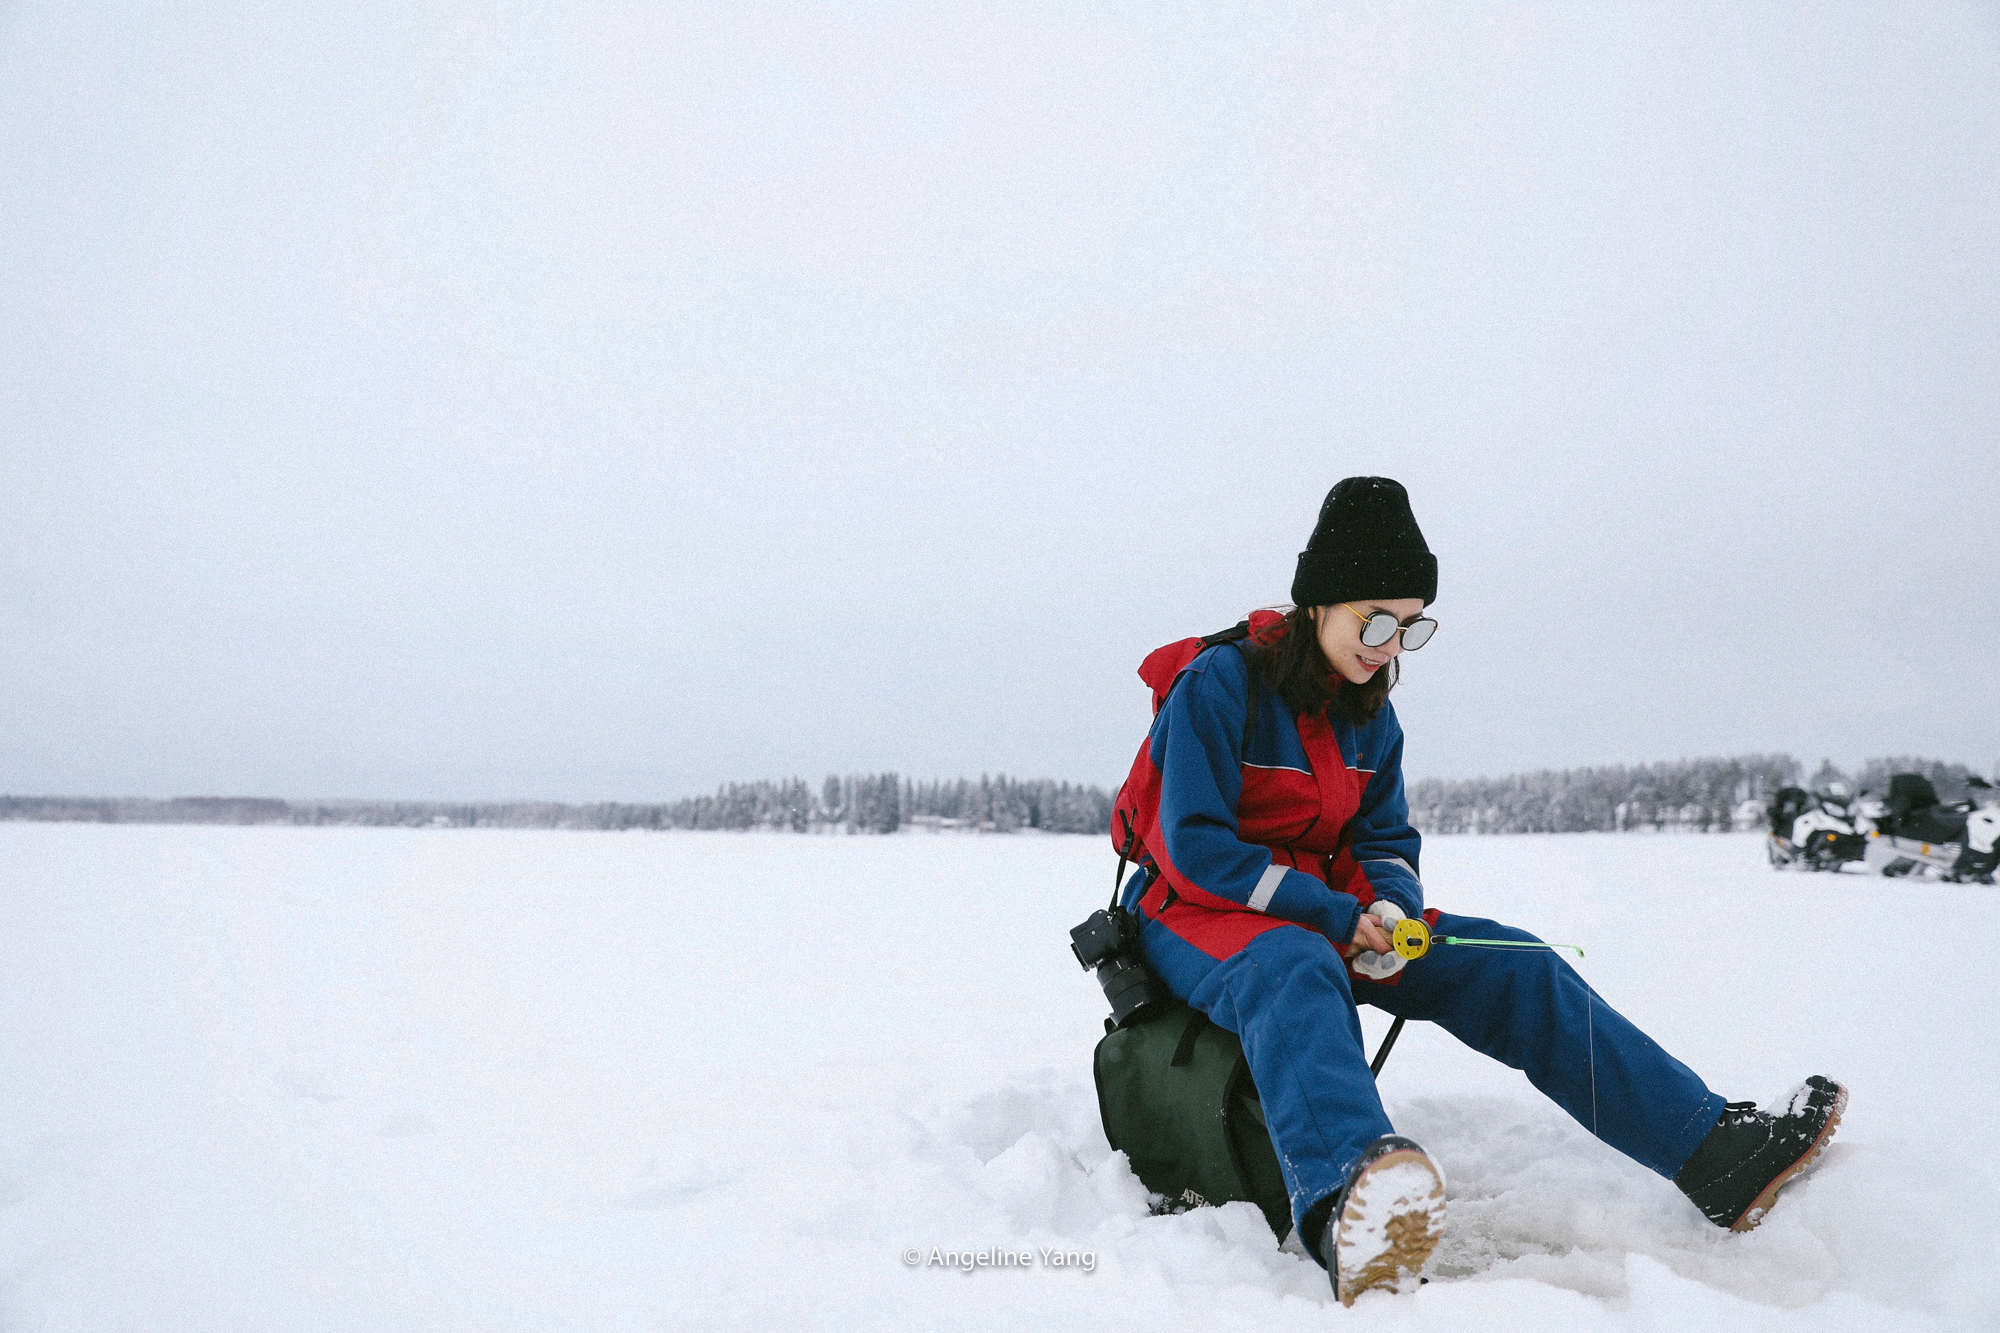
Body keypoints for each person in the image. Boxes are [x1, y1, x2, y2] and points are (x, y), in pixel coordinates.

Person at [1110, 476, 1844, 1306]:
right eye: (1374, 619)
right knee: (1290, 967)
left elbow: (1381, 838)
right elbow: (1197, 846)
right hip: (1192, 911)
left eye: (1410, 623)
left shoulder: (1370, 716)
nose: (1388, 644)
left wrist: (1389, 910)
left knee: (1511, 963)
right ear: (1318, 602)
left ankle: (1715, 1151)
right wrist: (1337, 917)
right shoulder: (1221, 685)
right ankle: (1347, 1206)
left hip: (1330, 911)